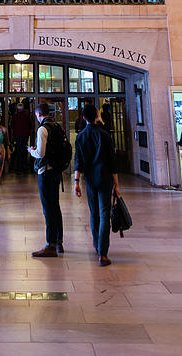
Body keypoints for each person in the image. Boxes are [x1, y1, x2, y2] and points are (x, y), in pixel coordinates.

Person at [73, 104, 119, 266]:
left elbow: (78, 161)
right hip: (105, 179)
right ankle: (103, 252)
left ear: (84, 118)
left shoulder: (80, 137)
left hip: (90, 180)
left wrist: (76, 182)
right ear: (96, 116)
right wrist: (117, 185)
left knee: (94, 214)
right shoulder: (105, 135)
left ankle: (96, 243)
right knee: (105, 213)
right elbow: (113, 163)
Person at [28, 102, 64, 257]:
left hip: (46, 172)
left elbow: (41, 154)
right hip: (56, 171)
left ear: (39, 114)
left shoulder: (42, 129)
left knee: (47, 209)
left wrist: (31, 151)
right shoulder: (57, 126)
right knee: (55, 206)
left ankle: (50, 244)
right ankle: (59, 242)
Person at [10, 101, 31, 174]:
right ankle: (25, 166)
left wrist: (13, 137)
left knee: (18, 152)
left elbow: (12, 127)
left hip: (18, 136)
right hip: (25, 136)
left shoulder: (15, 116)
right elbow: (29, 126)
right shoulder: (26, 116)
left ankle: (19, 168)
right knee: (24, 152)